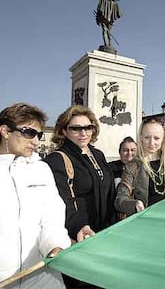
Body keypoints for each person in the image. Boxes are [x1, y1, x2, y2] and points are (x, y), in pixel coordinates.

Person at [44, 105, 116, 288]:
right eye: (76, 128)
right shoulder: (57, 159)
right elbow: (61, 202)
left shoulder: (97, 155)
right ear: (64, 131)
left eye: (88, 127)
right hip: (79, 238)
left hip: (103, 235)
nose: (83, 132)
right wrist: (78, 226)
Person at [0, 103, 71, 289]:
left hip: (43, 277)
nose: (36, 141)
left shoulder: (41, 169)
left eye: (38, 135)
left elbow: (52, 217)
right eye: (29, 133)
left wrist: (55, 246)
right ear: (5, 131)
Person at [115, 119, 165, 217]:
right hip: (147, 222)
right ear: (140, 138)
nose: (151, 143)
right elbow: (120, 199)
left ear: (163, 140)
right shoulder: (132, 166)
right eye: (147, 137)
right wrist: (134, 205)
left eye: (156, 138)